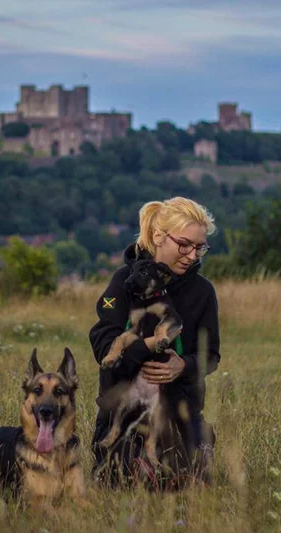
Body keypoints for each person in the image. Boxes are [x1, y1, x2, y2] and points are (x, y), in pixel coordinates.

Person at [89, 197, 220, 488]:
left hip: (179, 413)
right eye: (184, 244)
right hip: (124, 418)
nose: (192, 255)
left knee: (191, 484)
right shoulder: (123, 281)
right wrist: (148, 346)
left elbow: (210, 355)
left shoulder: (202, 291)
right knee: (125, 482)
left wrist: (183, 365)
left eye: (200, 248)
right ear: (159, 236)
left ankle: (195, 444)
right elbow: (103, 346)